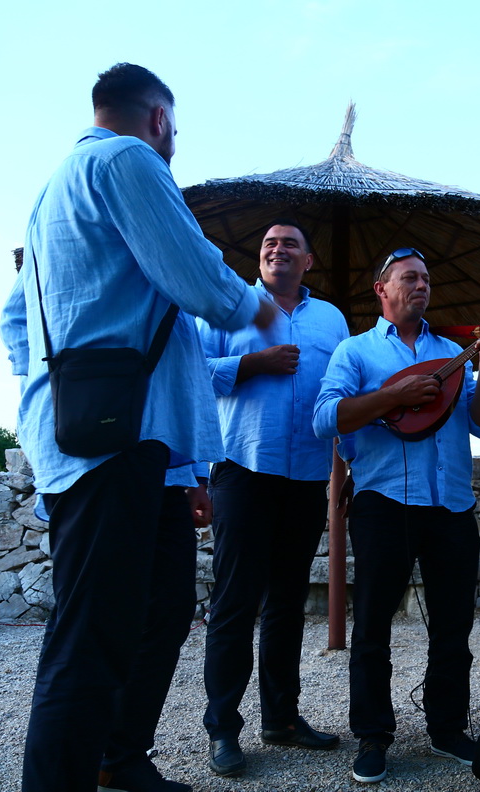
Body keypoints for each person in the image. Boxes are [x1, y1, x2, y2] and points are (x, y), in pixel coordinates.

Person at [0, 63, 273, 792]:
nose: (174, 140)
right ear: (157, 119)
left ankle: (117, 757)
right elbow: (199, 279)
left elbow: (13, 321)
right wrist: (264, 311)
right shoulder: (126, 160)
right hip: (109, 440)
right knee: (89, 635)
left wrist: (55, 394)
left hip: (132, 441)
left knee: (161, 605)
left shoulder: (51, 192)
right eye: (174, 129)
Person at [312, 247, 480, 785]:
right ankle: (373, 736)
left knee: (454, 627)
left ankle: (447, 727)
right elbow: (325, 417)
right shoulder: (356, 352)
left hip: (450, 504)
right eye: (409, 278)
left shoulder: (453, 352)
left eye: (425, 278)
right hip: (383, 503)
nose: (421, 285)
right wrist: (390, 396)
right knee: (373, 628)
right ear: (382, 288)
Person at [196, 219, 349, 777]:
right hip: (242, 467)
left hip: (308, 474)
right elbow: (192, 371)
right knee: (235, 603)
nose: (277, 249)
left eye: (289, 244)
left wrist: (351, 458)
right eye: (268, 244)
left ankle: (282, 718)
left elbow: (342, 390)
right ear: (260, 260)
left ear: (308, 260)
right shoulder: (228, 306)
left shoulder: (331, 319)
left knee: (288, 603)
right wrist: (250, 365)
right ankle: (223, 730)